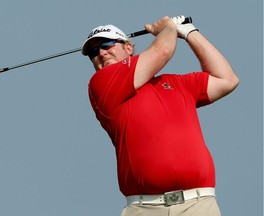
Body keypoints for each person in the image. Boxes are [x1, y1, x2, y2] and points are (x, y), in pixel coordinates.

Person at [81, 15, 239, 216]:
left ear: (128, 47)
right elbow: (163, 50)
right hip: (144, 208)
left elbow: (227, 79)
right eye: (93, 52)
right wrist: (168, 27)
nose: (101, 53)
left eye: (107, 44)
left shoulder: (176, 83)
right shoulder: (101, 85)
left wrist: (189, 32)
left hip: (198, 205)